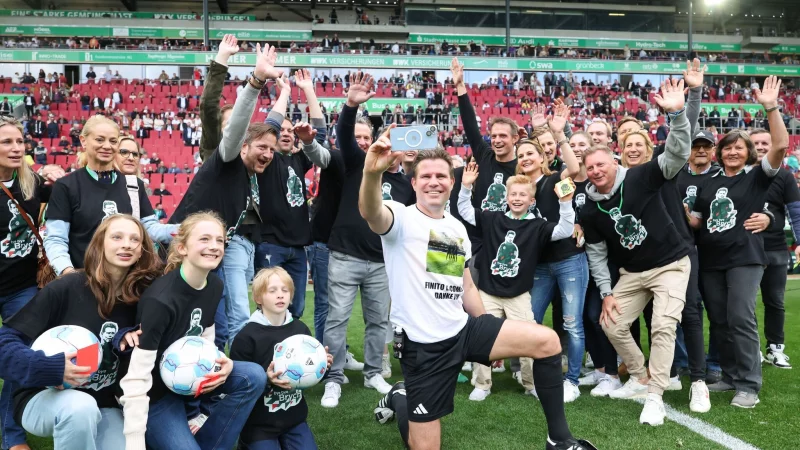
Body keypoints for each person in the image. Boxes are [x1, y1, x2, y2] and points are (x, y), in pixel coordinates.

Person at [359, 138, 593, 450]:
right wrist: (371, 173)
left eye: (441, 176)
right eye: (425, 176)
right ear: (413, 183)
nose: (433, 182)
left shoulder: (455, 228)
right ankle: (401, 396)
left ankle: (559, 440)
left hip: (463, 330)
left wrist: (488, 332)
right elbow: (371, 211)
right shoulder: (400, 216)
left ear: (451, 182)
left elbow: (466, 285)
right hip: (423, 347)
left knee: (548, 342)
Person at [581, 76, 691, 426]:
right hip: (632, 272)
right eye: (590, 167)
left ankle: (655, 396)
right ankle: (641, 377)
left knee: (662, 326)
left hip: (671, 264)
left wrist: (677, 116)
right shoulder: (589, 209)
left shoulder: (641, 176)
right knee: (611, 324)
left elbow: (677, 154)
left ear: (614, 162)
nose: (596, 171)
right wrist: (606, 293)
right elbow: (597, 256)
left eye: (601, 164)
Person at [0, 215, 161, 450]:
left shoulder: (143, 298)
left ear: (142, 250)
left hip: (104, 405)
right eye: (117, 237)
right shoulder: (67, 287)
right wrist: (50, 368)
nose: (127, 244)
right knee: (79, 408)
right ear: (100, 243)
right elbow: (4, 345)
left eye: (135, 239)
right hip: (44, 398)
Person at [119, 212, 267, 450]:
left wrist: (221, 362)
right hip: (155, 395)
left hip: (190, 380)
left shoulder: (215, 285)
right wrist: (134, 440)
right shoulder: (161, 301)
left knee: (253, 376)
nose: (214, 246)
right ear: (182, 248)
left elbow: (205, 338)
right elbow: (137, 376)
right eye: (204, 239)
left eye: (219, 240)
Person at [169, 43, 283, 349]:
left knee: (214, 323)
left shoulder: (251, 169)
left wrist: (284, 92)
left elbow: (270, 129)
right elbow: (215, 111)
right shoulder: (224, 157)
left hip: (218, 250)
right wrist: (255, 80)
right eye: (236, 129)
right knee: (187, 317)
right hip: (183, 250)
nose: (267, 153)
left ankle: (221, 364)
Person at [685, 76, 789, 408]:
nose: (732, 151)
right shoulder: (709, 182)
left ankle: (748, 384)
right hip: (711, 260)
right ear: (720, 152)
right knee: (720, 320)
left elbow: (780, 146)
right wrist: (679, 210)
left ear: (748, 153)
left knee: (741, 317)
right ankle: (730, 376)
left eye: (738, 147)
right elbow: (698, 221)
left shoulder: (757, 176)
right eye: (727, 147)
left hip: (745, 257)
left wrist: (771, 108)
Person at [320, 72, 413, 408]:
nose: (392, 149)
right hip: (345, 255)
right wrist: (350, 105)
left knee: (378, 322)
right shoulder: (359, 163)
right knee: (337, 320)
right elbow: (344, 136)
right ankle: (333, 377)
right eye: (388, 141)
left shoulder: (407, 186)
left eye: (399, 144)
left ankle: (373, 373)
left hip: (381, 262)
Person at [458, 161, 577, 402]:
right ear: (506, 197)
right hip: (488, 292)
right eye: (513, 194)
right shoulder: (493, 218)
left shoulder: (537, 225)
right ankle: (482, 384)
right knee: (482, 337)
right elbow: (466, 211)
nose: (517, 198)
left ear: (531, 201)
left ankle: (530, 383)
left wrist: (565, 203)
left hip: (519, 294)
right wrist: (465, 187)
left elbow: (565, 230)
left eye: (523, 195)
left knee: (527, 340)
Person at [42, 116, 176, 275]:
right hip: (82, 279)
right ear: (83, 141)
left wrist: (185, 229)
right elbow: (56, 238)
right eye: (100, 140)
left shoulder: (133, 185)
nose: (107, 146)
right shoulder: (66, 186)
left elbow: (150, 228)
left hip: (126, 281)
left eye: (113, 141)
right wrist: (67, 272)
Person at [0, 116, 60, 450]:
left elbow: (67, 195)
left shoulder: (31, 182)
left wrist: (58, 174)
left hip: (21, 287)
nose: (15, 148)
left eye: (19, 142)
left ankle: (12, 436)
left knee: (19, 355)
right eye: (6, 142)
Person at [253, 69, 330, 320]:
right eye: (282, 130)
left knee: (295, 310)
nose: (286, 133)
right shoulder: (265, 160)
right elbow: (269, 127)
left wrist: (308, 90)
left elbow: (320, 135)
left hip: (297, 248)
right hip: (270, 243)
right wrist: (285, 92)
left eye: (290, 131)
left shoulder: (298, 160)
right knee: (269, 308)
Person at [520, 106, 585, 401]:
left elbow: (575, 168)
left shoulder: (555, 179)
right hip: (539, 265)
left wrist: (560, 135)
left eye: (530, 153)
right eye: (521, 155)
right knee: (530, 320)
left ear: (542, 157)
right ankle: (540, 376)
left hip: (568, 259)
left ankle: (572, 380)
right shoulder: (519, 187)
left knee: (572, 323)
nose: (525, 158)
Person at [230, 266, 333, 450]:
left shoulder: (300, 330)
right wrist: (266, 380)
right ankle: (245, 443)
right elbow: (237, 386)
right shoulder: (246, 337)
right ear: (258, 298)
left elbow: (310, 376)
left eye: (285, 290)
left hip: (294, 420)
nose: (280, 295)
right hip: (258, 424)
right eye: (272, 290)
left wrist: (323, 366)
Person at [752, 128, 799, 369]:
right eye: (756, 143)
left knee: (775, 302)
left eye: (765, 143)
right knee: (744, 303)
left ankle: (775, 348)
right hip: (745, 249)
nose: (761, 147)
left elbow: (795, 212)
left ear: (773, 146)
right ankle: (752, 349)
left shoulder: (785, 176)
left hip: (775, 248)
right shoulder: (736, 174)